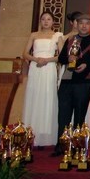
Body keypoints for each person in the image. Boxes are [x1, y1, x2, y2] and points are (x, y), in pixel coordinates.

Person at [54, 13, 90, 155]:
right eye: (81, 23)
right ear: (76, 24)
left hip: (84, 82)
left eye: (87, 23)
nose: (84, 26)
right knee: (63, 116)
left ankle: (77, 146)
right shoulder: (70, 40)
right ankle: (62, 145)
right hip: (66, 81)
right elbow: (61, 58)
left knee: (79, 116)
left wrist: (87, 65)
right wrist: (68, 58)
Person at [21, 11, 62, 147]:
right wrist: (36, 59)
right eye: (43, 19)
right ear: (40, 21)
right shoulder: (34, 35)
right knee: (34, 96)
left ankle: (46, 136)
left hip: (49, 68)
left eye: (49, 19)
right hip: (35, 67)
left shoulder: (57, 36)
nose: (46, 21)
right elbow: (25, 53)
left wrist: (46, 60)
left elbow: (62, 56)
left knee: (47, 97)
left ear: (53, 22)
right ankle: (30, 133)